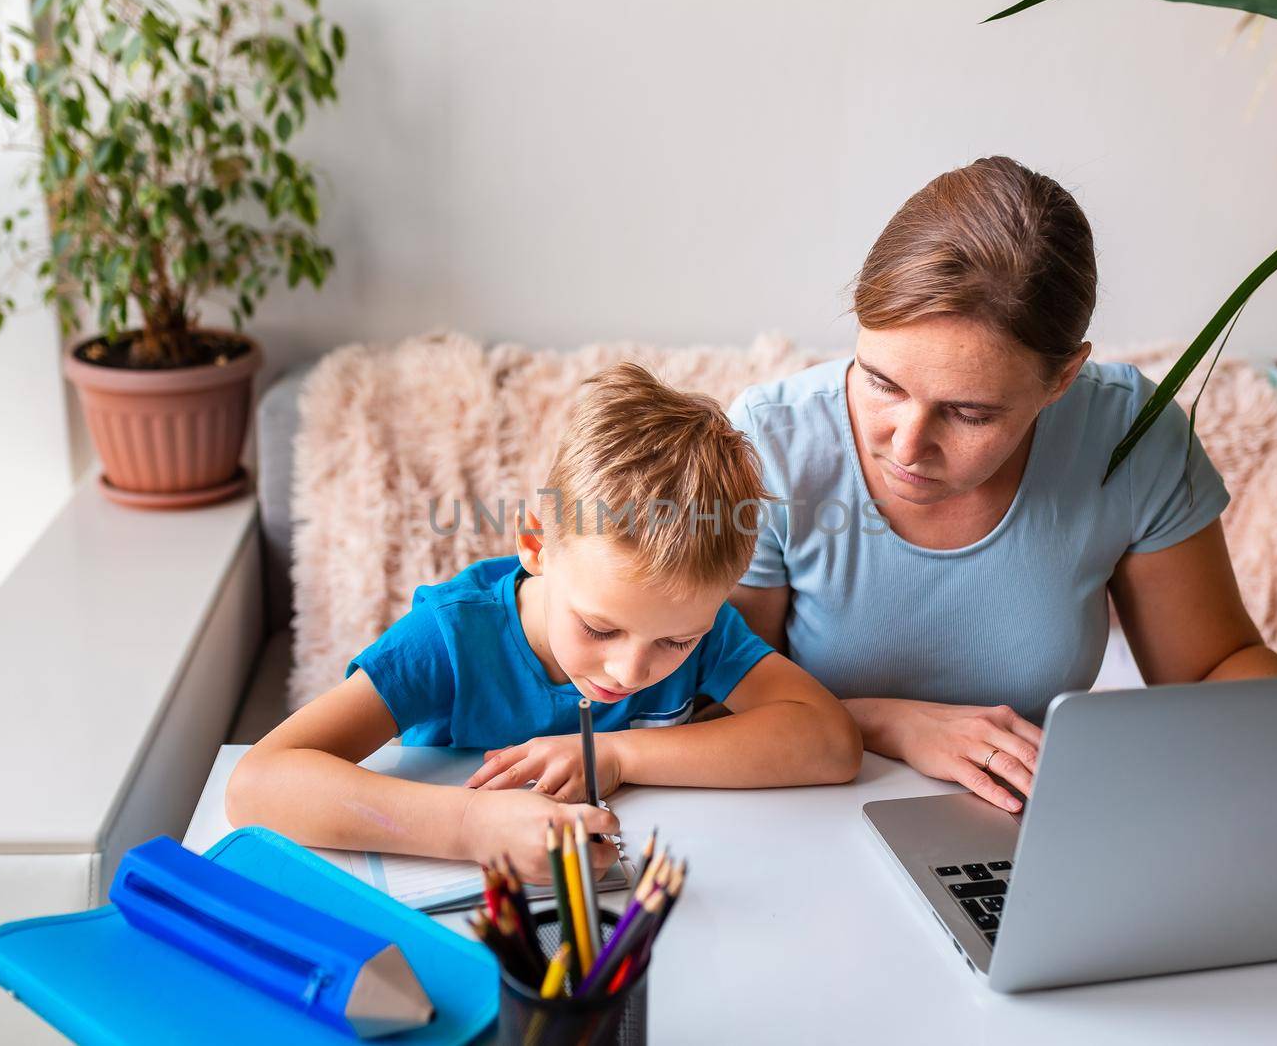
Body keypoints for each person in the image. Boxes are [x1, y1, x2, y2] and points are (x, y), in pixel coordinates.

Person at [726, 156, 1277, 816]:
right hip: (805, 814)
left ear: (1063, 379)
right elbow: (706, 698)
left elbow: (1213, 668)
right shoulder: (769, 446)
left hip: (1031, 827)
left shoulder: (1126, 436)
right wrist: (893, 723)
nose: (906, 445)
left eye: (970, 413)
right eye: (881, 381)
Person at [227, 362, 863, 882]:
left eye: (675, 642)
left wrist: (618, 755)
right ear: (535, 543)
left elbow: (830, 743)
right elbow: (259, 783)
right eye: (600, 628)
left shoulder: (702, 624)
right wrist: (472, 826)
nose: (631, 670)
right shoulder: (450, 639)